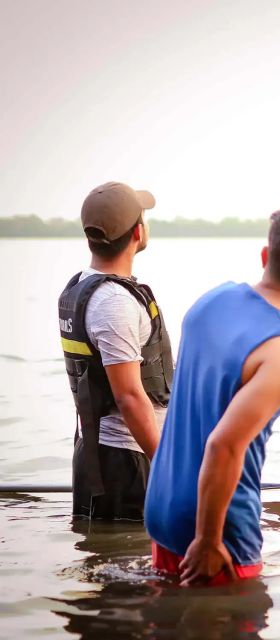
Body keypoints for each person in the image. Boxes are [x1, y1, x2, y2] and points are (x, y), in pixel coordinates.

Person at [144, 204, 280, 587]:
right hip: (217, 527)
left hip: (163, 505)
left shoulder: (209, 301)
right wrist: (207, 540)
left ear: (265, 256)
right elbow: (223, 446)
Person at [58, 181, 174, 520]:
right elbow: (129, 396)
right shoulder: (114, 303)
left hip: (103, 455)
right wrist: (168, 467)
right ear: (138, 232)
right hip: (125, 461)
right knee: (133, 565)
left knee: (107, 561)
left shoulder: (82, 286)